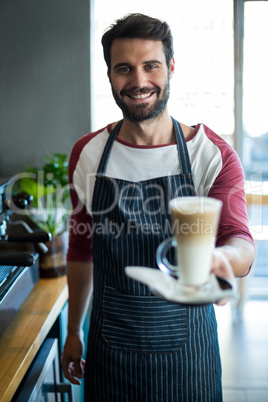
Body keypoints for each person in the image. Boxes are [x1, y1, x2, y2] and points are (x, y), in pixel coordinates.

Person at [61, 13, 255, 401]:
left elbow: (241, 244)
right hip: (108, 353)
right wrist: (73, 330)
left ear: (170, 68)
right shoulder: (88, 154)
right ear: (110, 76)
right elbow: (82, 249)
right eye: (124, 69)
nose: (138, 81)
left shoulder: (211, 155)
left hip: (189, 360)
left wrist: (220, 257)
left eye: (150, 66)